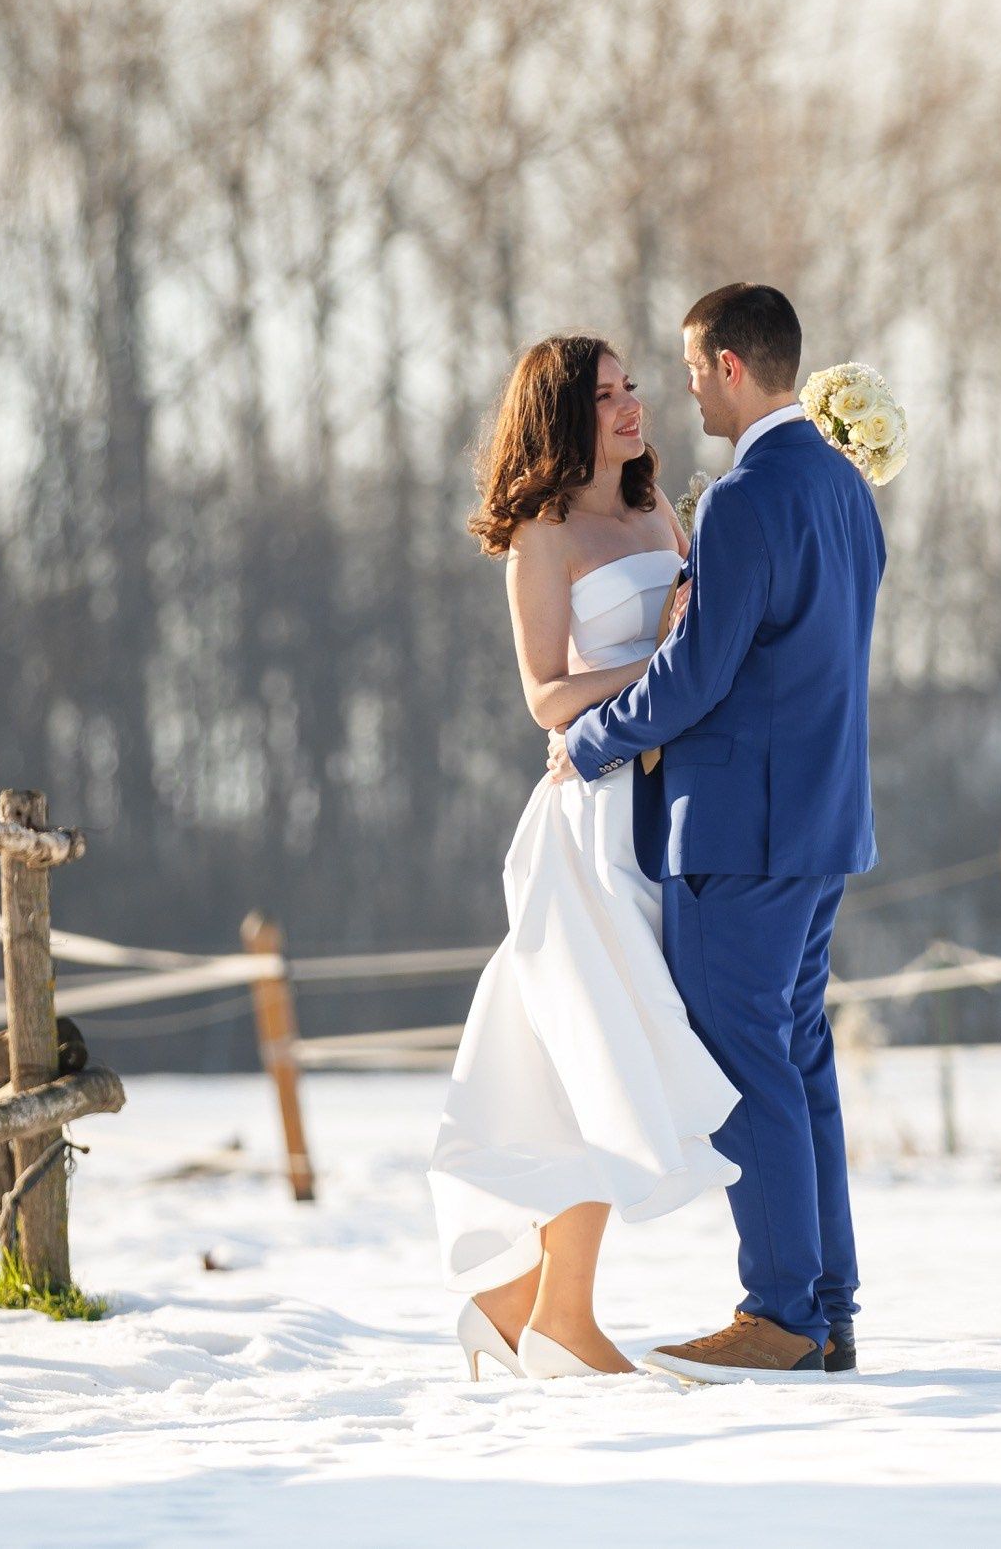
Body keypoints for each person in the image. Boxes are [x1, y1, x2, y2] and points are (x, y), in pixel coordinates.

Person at [547, 283, 885, 1384]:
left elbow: (699, 673)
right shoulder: (845, 488)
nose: (683, 388)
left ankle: (779, 1312)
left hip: (741, 830)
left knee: (747, 1064)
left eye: (691, 369)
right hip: (825, 821)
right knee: (798, 1062)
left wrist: (592, 739)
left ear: (733, 366)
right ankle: (827, 1306)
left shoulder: (745, 498)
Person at [430, 333, 742, 1380]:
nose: (629, 407)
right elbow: (546, 699)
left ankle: (532, 1302)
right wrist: (662, 671)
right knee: (595, 1046)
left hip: (670, 806)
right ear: (561, 414)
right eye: (603, 395)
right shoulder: (542, 534)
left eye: (631, 387)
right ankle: (547, 1311)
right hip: (591, 816)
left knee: (587, 1056)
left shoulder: (660, 510)